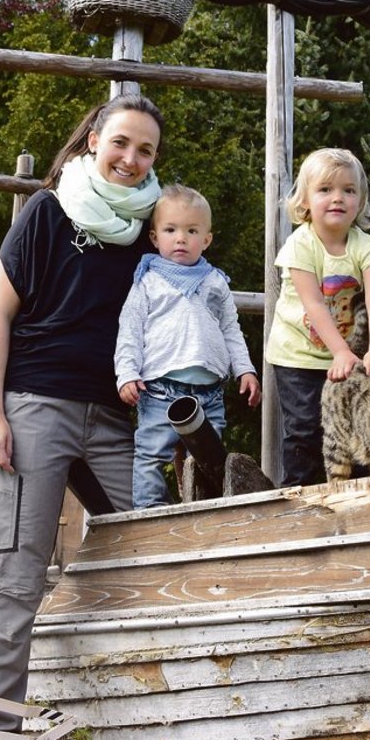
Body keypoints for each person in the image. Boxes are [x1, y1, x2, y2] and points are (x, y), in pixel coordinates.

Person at [0, 94, 162, 740]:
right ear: (93, 140)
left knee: (163, 553)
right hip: (33, 410)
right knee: (17, 582)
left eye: (146, 151)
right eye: (122, 143)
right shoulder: (48, 212)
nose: (131, 160)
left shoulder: (150, 229)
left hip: (112, 420)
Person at [115, 184, 262, 508]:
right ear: (155, 237)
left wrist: (245, 370)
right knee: (152, 454)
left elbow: (230, 329)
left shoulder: (215, 282)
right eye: (171, 230)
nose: (181, 238)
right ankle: (149, 515)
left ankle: (204, 511)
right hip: (159, 391)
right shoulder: (148, 281)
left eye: (191, 230)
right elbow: (130, 330)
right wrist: (126, 372)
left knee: (209, 460)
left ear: (206, 239)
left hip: (209, 393)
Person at [265, 147, 370, 487]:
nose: (338, 198)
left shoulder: (365, 245)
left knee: (356, 421)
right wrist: (339, 351)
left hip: (347, 357)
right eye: (325, 190)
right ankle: (298, 493)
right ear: (305, 200)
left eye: (348, 190)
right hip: (299, 355)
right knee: (306, 426)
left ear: (360, 201)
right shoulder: (300, 245)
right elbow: (314, 304)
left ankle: (358, 491)